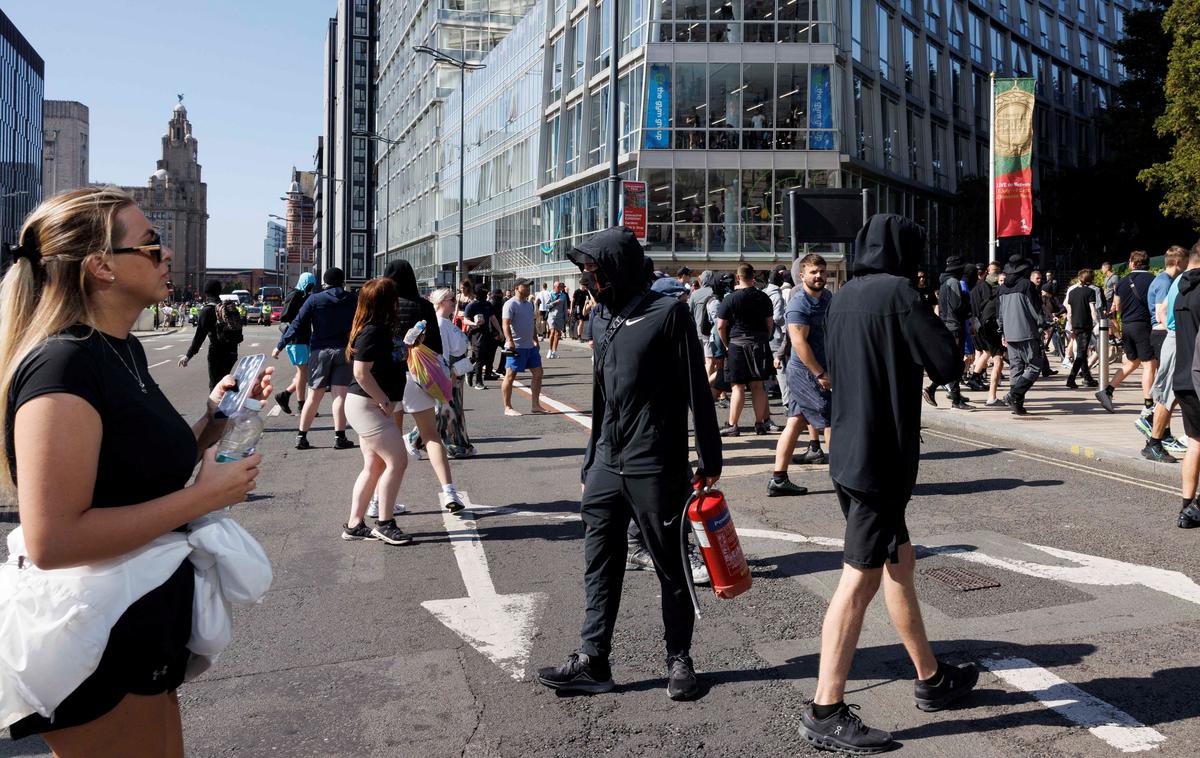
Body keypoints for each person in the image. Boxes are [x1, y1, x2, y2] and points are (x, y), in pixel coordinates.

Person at [0, 186, 270, 754]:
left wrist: (213, 422)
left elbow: (137, 473)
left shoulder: (121, 350)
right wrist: (205, 497)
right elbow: (54, 539)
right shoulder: (65, 364)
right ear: (102, 267)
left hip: (140, 621)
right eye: (150, 245)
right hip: (93, 640)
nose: (166, 254)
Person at [800, 214, 976, 753]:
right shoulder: (901, 293)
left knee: (901, 563)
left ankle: (932, 679)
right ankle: (825, 709)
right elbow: (947, 363)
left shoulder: (846, 294)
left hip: (848, 451)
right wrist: (930, 306)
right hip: (881, 461)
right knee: (859, 580)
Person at [536, 226, 722, 701]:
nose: (588, 280)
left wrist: (709, 456)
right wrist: (589, 460)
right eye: (585, 272)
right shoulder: (600, 317)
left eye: (593, 271)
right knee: (599, 564)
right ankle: (593, 660)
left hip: (656, 464)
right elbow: (602, 398)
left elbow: (695, 389)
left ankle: (679, 657)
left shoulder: (670, 313)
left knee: (669, 564)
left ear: (617, 267)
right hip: (605, 463)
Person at [382, 259, 466, 514]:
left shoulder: (384, 305)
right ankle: (449, 491)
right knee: (431, 435)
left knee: (389, 443)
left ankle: (380, 501)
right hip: (418, 376)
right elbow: (437, 347)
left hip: (388, 379)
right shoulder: (423, 305)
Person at [341, 277, 412, 545]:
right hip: (367, 404)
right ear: (385, 302)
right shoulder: (372, 330)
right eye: (394, 298)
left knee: (374, 466)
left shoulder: (379, 328)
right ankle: (385, 523)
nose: (398, 302)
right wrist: (382, 398)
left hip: (371, 403)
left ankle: (354, 525)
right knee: (398, 461)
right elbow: (361, 373)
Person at [768, 254, 831, 497]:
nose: (818, 276)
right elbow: (798, 342)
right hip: (806, 373)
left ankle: (778, 479)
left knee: (795, 421)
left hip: (816, 370)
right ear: (801, 275)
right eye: (813, 272)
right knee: (831, 420)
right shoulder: (799, 304)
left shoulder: (826, 297)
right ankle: (846, 482)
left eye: (822, 271)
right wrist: (821, 373)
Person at [280, 267, 357, 451]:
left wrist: (282, 344)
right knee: (340, 396)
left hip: (320, 351)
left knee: (314, 396)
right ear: (343, 281)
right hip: (344, 351)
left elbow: (297, 322)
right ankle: (340, 438)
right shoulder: (353, 299)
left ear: (324, 282)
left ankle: (301, 437)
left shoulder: (315, 299)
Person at [1141, 250, 1192, 462]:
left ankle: (1157, 435)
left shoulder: (1179, 280)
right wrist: (1168, 328)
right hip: (1178, 338)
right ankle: (1153, 441)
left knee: (1173, 393)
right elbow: (1161, 309)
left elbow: (1162, 308)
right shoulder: (1183, 280)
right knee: (1167, 394)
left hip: (1179, 337)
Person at [716, 263, 778, 436]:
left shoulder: (730, 299)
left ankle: (732, 425)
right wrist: (764, 337)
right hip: (759, 344)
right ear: (754, 277)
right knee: (758, 386)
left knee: (738, 387)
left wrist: (727, 344)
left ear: (738, 277)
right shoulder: (763, 297)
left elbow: (720, 326)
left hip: (737, 344)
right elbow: (769, 322)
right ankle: (760, 424)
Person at [1097, 251, 1157, 413]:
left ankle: (1107, 390)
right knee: (1150, 365)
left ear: (1132, 263)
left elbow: (1116, 307)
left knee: (1132, 362)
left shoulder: (1122, 282)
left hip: (1127, 325)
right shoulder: (1153, 280)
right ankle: (1148, 405)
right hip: (1143, 326)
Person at [1171, 241, 1200, 528]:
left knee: (1195, 442)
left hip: (1182, 376)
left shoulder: (1180, 290)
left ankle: (1186, 505)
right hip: (1199, 375)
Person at [997, 255, 1045, 416]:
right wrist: (1042, 324)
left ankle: (1017, 405)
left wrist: (1002, 332)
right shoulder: (1026, 285)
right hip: (1027, 332)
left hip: (1009, 333)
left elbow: (1000, 314)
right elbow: (1035, 310)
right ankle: (1015, 395)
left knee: (1015, 369)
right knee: (1035, 366)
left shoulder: (1002, 288)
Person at [429, 288, 474, 457]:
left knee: (451, 410)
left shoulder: (446, 322)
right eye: (451, 299)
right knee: (448, 411)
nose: (454, 302)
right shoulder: (440, 323)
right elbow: (443, 354)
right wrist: (449, 375)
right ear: (441, 302)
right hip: (452, 370)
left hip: (457, 369)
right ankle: (454, 445)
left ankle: (461, 444)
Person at [922, 256, 970, 409]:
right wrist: (966, 303)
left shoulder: (943, 283)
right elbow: (957, 306)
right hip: (955, 326)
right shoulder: (954, 282)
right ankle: (945, 395)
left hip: (947, 324)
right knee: (955, 363)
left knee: (954, 362)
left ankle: (953, 395)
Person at [180, 280, 242, 390]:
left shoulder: (207, 310)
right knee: (225, 382)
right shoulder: (227, 307)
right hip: (232, 351)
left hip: (217, 353)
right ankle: (231, 400)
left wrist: (188, 355)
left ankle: (217, 406)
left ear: (206, 293)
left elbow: (200, 336)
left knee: (215, 386)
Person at [271, 271, 317, 416]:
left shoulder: (304, 295)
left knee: (305, 372)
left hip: (303, 338)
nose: (311, 288)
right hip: (295, 339)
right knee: (303, 372)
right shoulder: (296, 295)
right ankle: (301, 405)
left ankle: (285, 395)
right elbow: (285, 316)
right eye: (309, 285)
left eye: (312, 285)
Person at [501, 278, 547, 416]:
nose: (528, 288)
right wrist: (510, 341)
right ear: (517, 288)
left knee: (538, 373)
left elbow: (531, 324)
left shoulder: (529, 304)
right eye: (525, 286)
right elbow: (505, 324)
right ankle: (507, 407)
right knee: (510, 375)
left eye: (529, 286)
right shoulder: (510, 304)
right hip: (516, 346)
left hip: (530, 347)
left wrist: (535, 339)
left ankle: (535, 405)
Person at [1064, 269, 1100, 390]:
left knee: (1082, 351)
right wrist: (1098, 323)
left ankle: (1087, 377)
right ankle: (1071, 378)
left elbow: (1069, 312)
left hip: (1075, 325)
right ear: (1091, 280)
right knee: (1081, 353)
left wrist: (1071, 324)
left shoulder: (1072, 292)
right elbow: (1093, 310)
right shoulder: (1091, 291)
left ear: (1079, 278)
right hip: (1086, 325)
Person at [465, 285, 501, 390]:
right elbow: (465, 320)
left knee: (484, 357)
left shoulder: (488, 304)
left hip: (486, 332)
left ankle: (469, 369)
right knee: (480, 357)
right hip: (475, 333)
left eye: (486, 293)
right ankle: (479, 382)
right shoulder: (471, 305)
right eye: (483, 293)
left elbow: (493, 318)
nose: (485, 295)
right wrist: (473, 323)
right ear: (478, 294)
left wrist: (500, 331)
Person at [546, 280, 569, 358]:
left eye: (561, 286)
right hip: (552, 316)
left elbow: (565, 307)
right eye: (559, 286)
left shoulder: (563, 295)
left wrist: (566, 318)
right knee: (552, 332)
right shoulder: (550, 294)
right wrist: (554, 302)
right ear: (555, 287)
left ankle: (554, 352)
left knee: (557, 334)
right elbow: (546, 306)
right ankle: (549, 350)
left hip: (560, 317)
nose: (560, 288)